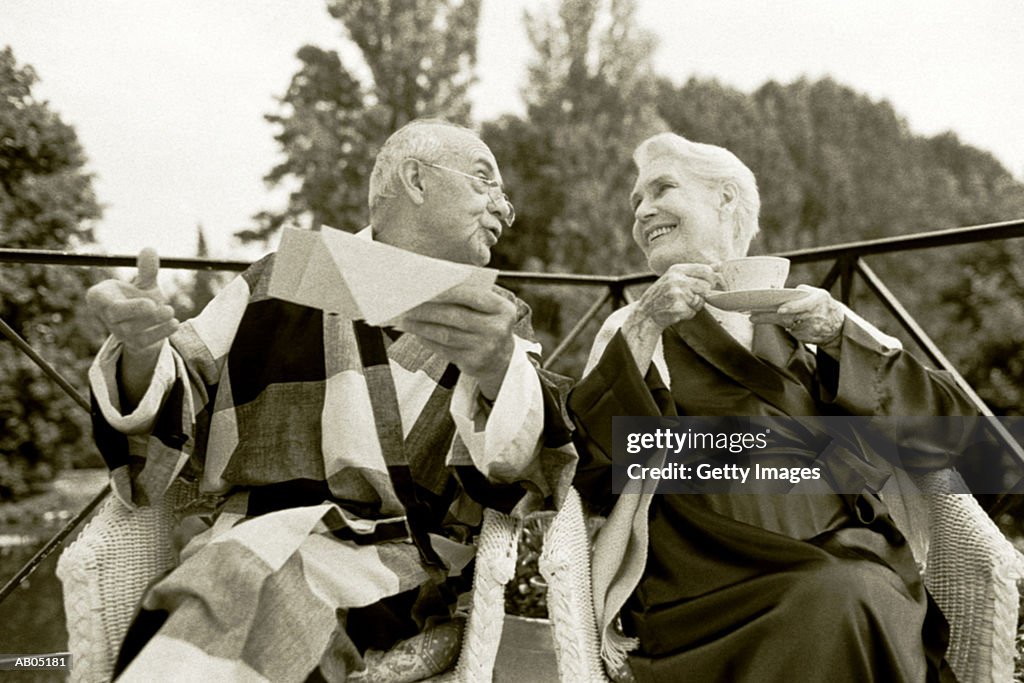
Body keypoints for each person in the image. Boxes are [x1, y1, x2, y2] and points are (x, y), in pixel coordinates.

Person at [85, 119, 575, 682]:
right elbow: (183, 382)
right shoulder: (289, 275)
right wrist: (141, 354)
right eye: (485, 181)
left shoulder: (493, 319)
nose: (505, 209)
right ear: (415, 179)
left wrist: (495, 368)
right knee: (236, 579)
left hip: (395, 577)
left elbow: (525, 467)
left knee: (243, 594)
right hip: (242, 544)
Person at [569, 132, 977, 682]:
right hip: (704, 580)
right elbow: (590, 472)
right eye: (636, 202)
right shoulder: (634, 326)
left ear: (726, 200)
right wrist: (646, 324)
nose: (643, 211)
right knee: (831, 598)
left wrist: (839, 340)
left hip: (846, 556)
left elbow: (958, 442)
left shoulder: (811, 317)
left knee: (850, 591)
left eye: (662, 189)